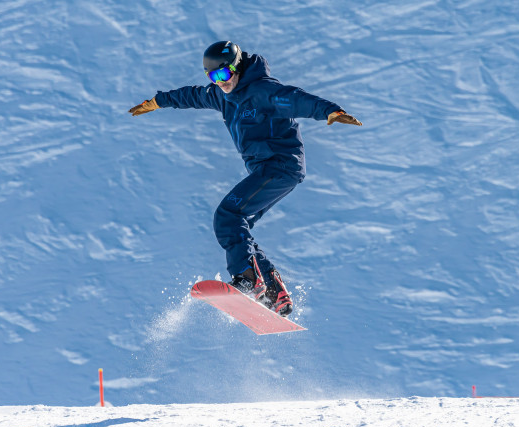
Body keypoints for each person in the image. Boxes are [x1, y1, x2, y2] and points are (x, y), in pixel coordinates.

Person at [129, 41, 361, 317]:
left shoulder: (263, 91)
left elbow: (297, 99)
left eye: (224, 74)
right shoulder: (220, 95)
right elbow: (189, 96)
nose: (220, 82)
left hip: (279, 165)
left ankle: (248, 281)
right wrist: (157, 102)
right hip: (268, 170)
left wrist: (330, 111)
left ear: (237, 67)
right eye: (213, 77)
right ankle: (274, 293)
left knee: (227, 217)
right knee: (239, 226)